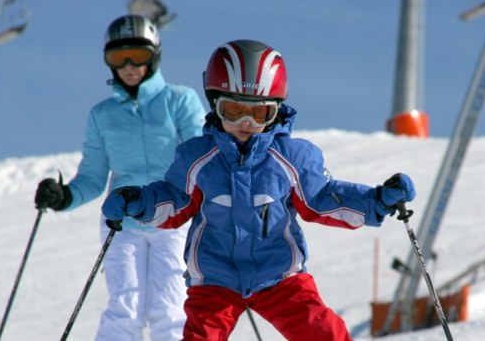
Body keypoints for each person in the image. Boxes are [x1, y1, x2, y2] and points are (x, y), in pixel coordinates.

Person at [99, 39, 417, 340]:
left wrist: (377, 201)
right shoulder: (197, 158)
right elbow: (175, 202)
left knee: (323, 331)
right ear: (214, 105)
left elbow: (322, 200)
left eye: (260, 112)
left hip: (279, 276)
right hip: (215, 280)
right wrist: (138, 202)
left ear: (276, 110)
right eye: (234, 111)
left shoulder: (291, 158)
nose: (247, 122)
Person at [33, 14, 206, 340]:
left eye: (138, 56)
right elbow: (93, 177)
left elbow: (201, 158)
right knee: (125, 307)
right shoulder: (103, 116)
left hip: (173, 218)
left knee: (169, 307)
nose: (128, 65)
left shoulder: (178, 101)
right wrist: (64, 196)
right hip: (121, 223)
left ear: (154, 55)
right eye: (117, 57)